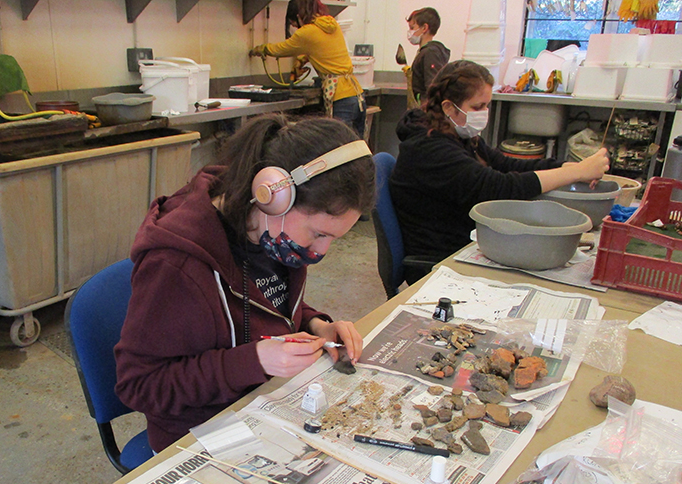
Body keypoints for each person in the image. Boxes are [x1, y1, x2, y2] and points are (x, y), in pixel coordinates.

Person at [114, 115, 376, 452]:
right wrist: (253, 362)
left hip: (262, 400)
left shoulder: (269, 231)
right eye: (319, 233)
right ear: (272, 196)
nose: (321, 250)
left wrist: (315, 323)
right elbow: (140, 384)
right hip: (197, 436)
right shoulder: (175, 265)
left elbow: (263, 297)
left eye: (333, 238)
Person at [389, 60, 609, 281]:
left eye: (487, 106)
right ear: (448, 107)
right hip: (441, 260)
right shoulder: (429, 149)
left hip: (464, 242)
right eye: (477, 107)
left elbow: (507, 165)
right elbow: (499, 187)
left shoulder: (458, 135)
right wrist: (576, 173)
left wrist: (564, 166)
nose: (484, 113)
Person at [249, 0, 367, 138]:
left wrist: (262, 49)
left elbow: (283, 48)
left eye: (293, 23)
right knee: (358, 150)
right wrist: (302, 60)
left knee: (337, 148)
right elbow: (323, 48)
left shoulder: (307, 32)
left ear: (299, 16)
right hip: (357, 95)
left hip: (340, 98)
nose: (294, 27)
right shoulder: (330, 24)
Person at [406, 7, 450, 107]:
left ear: (424, 28)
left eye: (412, 28)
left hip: (425, 113)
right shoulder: (424, 52)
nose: (409, 32)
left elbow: (432, 88)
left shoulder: (430, 53)